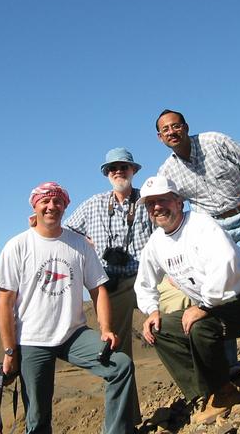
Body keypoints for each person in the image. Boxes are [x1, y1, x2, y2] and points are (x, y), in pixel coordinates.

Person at [0, 181, 136, 434]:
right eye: (45, 201)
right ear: (34, 206)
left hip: (73, 334)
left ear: (65, 206)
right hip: (32, 339)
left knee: (121, 365)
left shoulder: (79, 245)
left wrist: (106, 329)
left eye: (57, 201)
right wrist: (9, 350)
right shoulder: (17, 246)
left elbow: (98, 289)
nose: (51, 206)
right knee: (37, 418)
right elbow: (5, 302)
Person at [155, 109, 240, 362]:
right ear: (160, 138)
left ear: (185, 127)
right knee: (218, 283)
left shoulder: (215, 142)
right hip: (213, 228)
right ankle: (228, 364)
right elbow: (167, 209)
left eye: (176, 126)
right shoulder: (167, 172)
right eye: (166, 130)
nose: (172, 132)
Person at [134, 176, 240, 424]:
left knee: (199, 327)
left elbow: (226, 261)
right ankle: (208, 389)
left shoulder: (201, 225)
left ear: (178, 202)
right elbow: (144, 282)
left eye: (162, 200)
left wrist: (204, 305)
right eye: (150, 204)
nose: (156, 207)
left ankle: (225, 392)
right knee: (160, 330)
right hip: (215, 308)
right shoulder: (156, 243)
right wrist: (151, 310)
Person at [64, 147, 152, 359]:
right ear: (107, 173)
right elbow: (66, 231)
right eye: (113, 168)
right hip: (111, 282)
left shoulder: (147, 200)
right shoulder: (94, 204)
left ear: (133, 171)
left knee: (168, 323)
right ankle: (124, 391)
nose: (118, 171)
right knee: (115, 345)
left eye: (124, 167)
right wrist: (86, 242)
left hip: (146, 278)